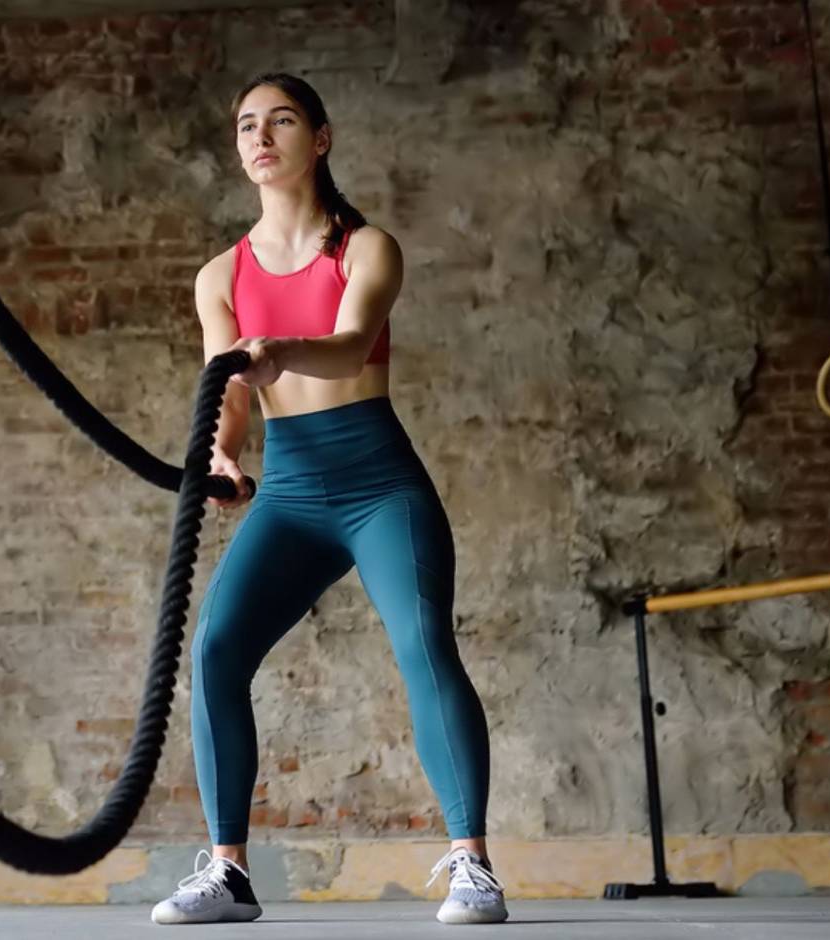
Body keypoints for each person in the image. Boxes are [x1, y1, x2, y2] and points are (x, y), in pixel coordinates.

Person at [149, 72, 506, 927]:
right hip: (295, 492)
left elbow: (349, 347)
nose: (260, 137)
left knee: (423, 643)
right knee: (217, 652)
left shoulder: (367, 247)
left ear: (322, 137)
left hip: (378, 481)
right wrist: (226, 453)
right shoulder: (220, 275)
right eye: (245, 126)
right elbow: (226, 390)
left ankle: (473, 866)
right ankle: (230, 873)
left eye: (280, 121)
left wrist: (280, 353)